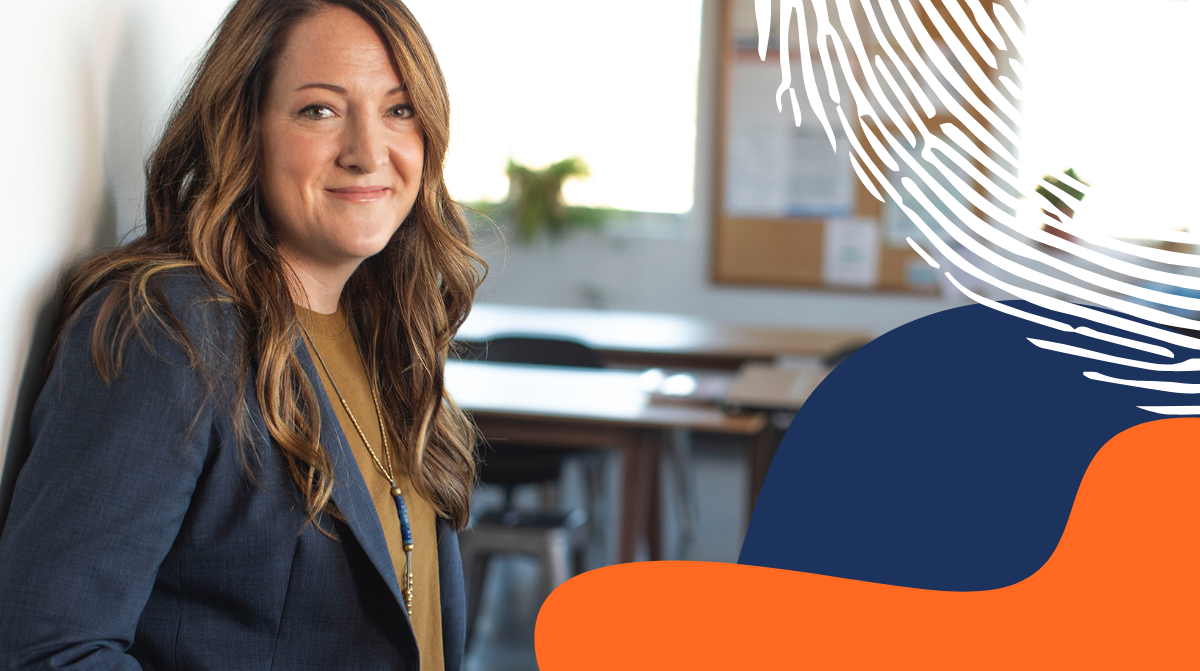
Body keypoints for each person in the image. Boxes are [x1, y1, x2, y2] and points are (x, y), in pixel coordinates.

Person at [0, 0, 482, 668]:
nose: (369, 151)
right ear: (244, 127)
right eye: (321, 109)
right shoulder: (168, 331)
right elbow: (50, 647)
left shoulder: (389, 331)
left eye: (398, 109)